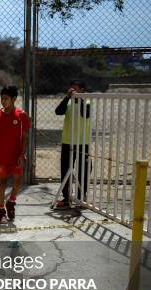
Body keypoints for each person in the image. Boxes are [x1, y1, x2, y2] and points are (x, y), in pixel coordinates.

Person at [0, 85, 31, 224]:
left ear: (13, 99)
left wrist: (22, 154)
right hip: (1, 156)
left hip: (16, 155)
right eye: (2, 98)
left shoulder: (21, 115)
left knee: (18, 179)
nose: (3, 101)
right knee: (2, 182)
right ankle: (1, 211)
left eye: (6, 98)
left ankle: (11, 201)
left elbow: (25, 136)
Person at [54, 80, 91, 209]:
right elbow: (58, 111)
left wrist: (79, 99)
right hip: (68, 141)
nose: (72, 91)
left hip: (82, 142)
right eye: (71, 89)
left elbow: (85, 114)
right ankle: (66, 197)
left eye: (75, 89)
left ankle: (81, 196)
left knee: (84, 169)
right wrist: (67, 97)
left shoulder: (87, 101)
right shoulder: (68, 102)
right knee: (65, 169)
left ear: (82, 90)